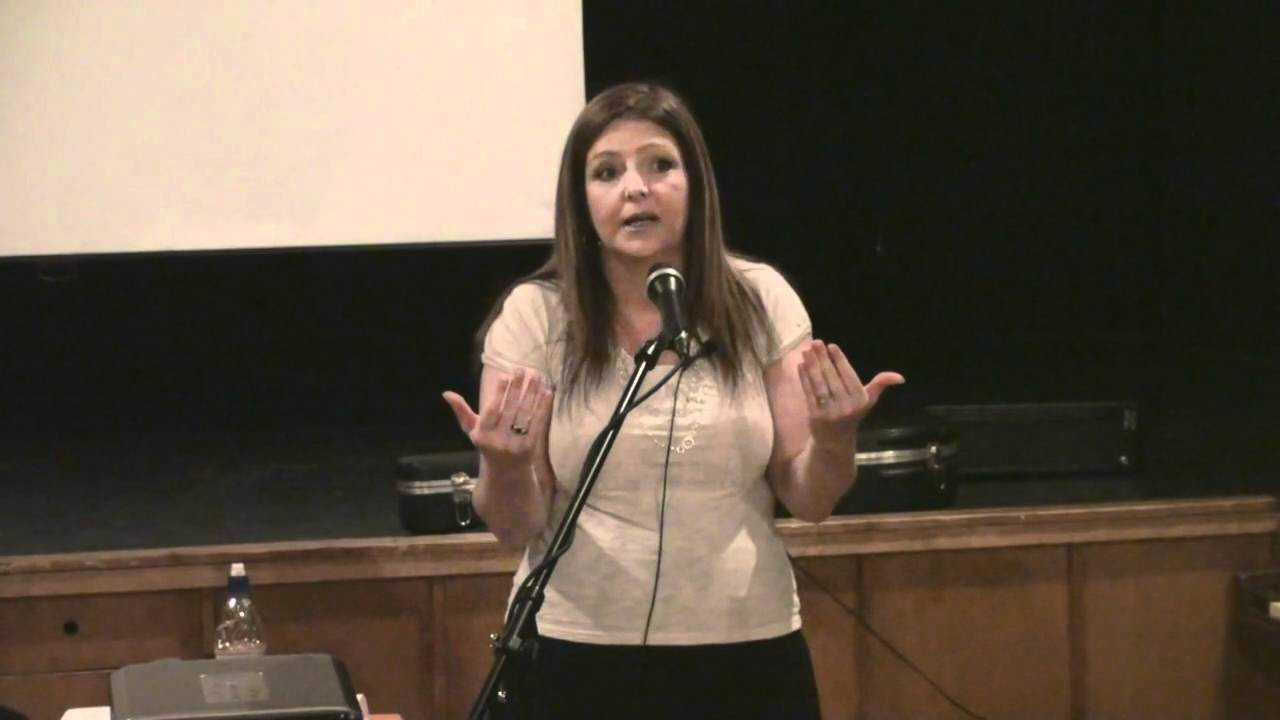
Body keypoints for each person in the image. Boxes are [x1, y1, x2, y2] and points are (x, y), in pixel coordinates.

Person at [442, 82, 903, 720]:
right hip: (576, 651)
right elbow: (513, 527)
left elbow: (811, 500)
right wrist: (505, 464)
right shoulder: (537, 316)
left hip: (745, 650)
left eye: (660, 165)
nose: (636, 188)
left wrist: (834, 437)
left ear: (696, 184)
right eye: (607, 172)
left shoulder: (760, 299)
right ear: (581, 200)